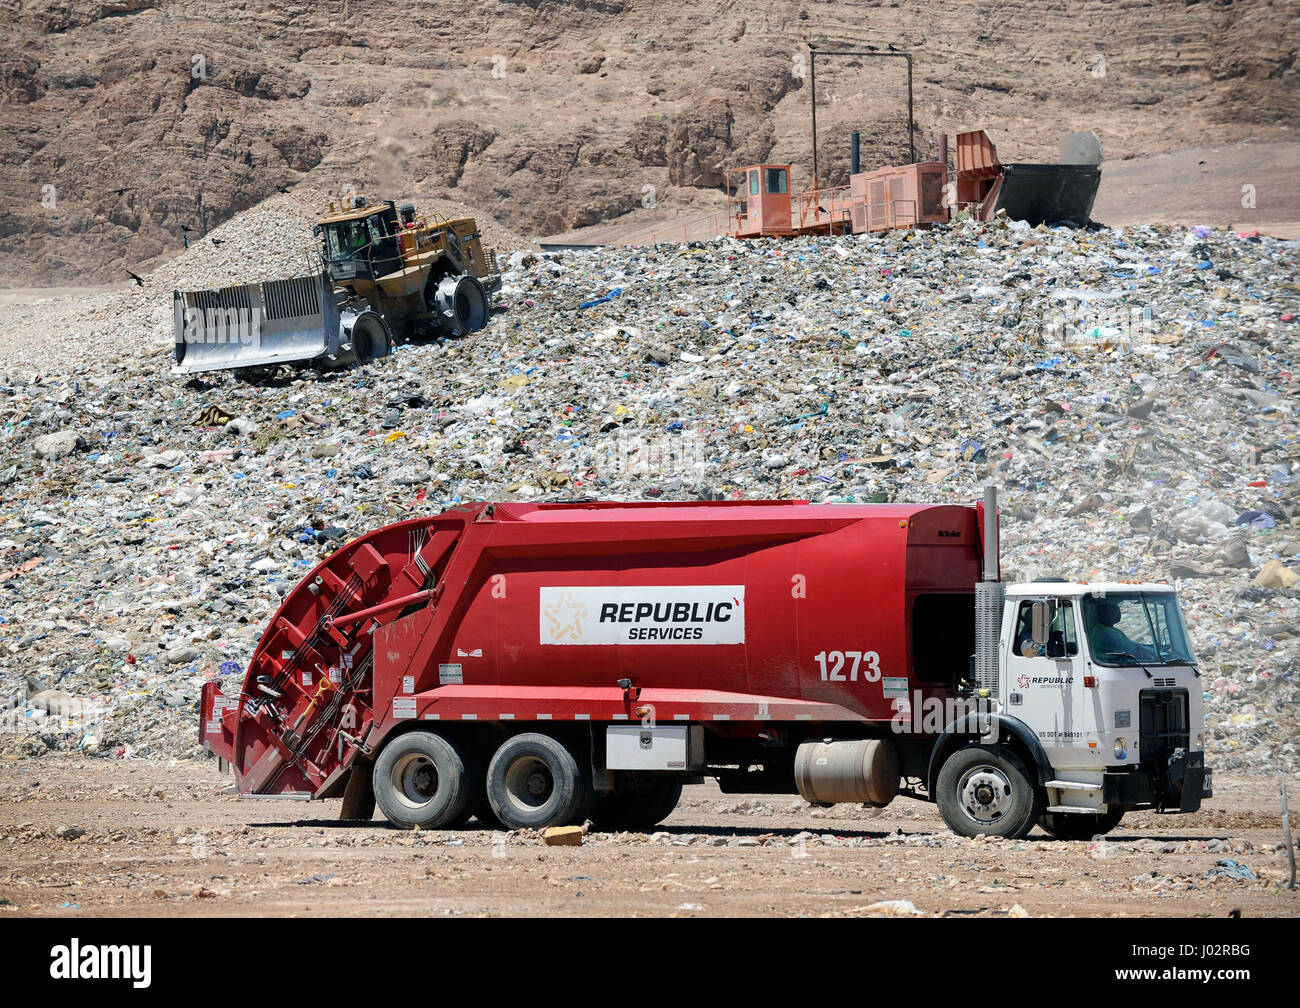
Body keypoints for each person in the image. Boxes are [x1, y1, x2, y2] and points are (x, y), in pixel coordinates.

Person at [1087, 600, 1154, 661]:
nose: (1119, 612)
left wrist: (1150, 647)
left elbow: (1130, 644)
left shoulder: (1112, 630)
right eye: (1114, 609)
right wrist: (1147, 652)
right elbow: (1128, 650)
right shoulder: (1102, 633)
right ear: (1105, 613)